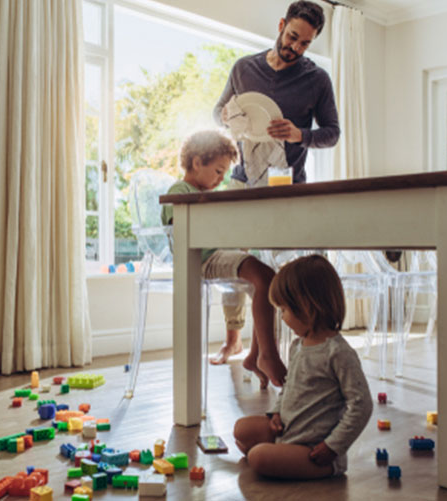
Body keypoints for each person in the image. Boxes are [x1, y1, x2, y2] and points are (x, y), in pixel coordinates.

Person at [161, 130, 287, 388]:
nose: (221, 179)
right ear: (197, 163)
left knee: (268, 284)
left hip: (221, 254)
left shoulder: (206, 192)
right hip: (203, 259)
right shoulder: (180, 190)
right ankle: (267, 355)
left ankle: (255, 355)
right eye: (218, 171)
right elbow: (185, 230)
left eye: (224, 173)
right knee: (264, 276)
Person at [233, 255, 373, 479]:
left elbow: (362, 405)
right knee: (241, 429)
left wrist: (332, 447)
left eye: (284, 310)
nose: (282, 318)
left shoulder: (338, 353)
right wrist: (276, 412)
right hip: (288, 431)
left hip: (314, 451)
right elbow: (289, 387)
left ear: (308, 307)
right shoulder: (298, 346)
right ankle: (277, 452)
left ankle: (277, 456)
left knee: (258, 457)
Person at [213, 0, 340, 186]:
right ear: (281, 25)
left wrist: (300, 136)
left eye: (305, 43)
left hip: (287, 184)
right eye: (292, 37)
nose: (296, 47)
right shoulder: (243, 68)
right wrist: (224, 117)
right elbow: (217, 113)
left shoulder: (317, 79)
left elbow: (333, 133)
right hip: (242, 182)